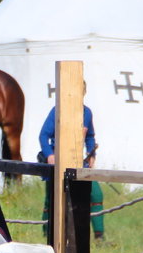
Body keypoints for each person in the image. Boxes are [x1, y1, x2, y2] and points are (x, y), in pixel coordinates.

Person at [38, 101, 104, 242]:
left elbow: (90, 136)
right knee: (52, 199)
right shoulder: (57, 110)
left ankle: (100, 238)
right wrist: (49, 154)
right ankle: (46, 235)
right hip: (59, 160)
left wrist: (91, 154)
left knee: (96, 195)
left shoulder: (87, 112)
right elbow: (44, 135)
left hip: (79, 161)